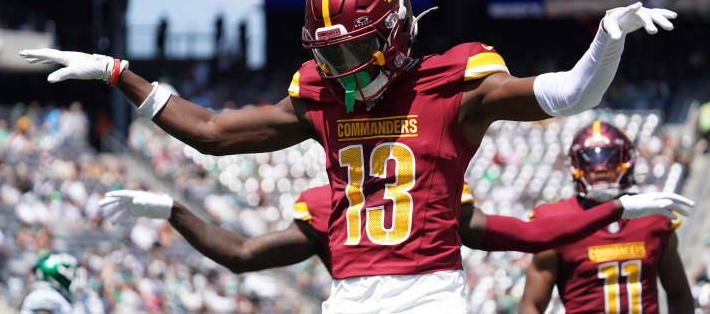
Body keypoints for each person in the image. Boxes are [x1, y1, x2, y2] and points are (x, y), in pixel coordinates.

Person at [20, 0, 689, 313]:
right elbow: (214, 132)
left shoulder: (456, 83)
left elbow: (573, 93)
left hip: (429, 293)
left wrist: (606, 38)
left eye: (352, 52)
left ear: (395, 36)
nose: (337, 71)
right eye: (328, 55)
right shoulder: (319, 97)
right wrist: (119, 73)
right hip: (350, 296)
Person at [100, 183, 690, 275]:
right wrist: (172, 209)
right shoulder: (327, 204)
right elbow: (242, 254)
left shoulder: (432, 193)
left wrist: (617, 209)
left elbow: (242, 253)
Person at [518, 121, 694, 314]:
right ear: (575, 167)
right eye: (589, 161)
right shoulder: (556, 221)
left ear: (627, 162)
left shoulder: (653, 216)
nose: (600, 168)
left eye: (609, 158)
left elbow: (679, 293)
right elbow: (531, 305)